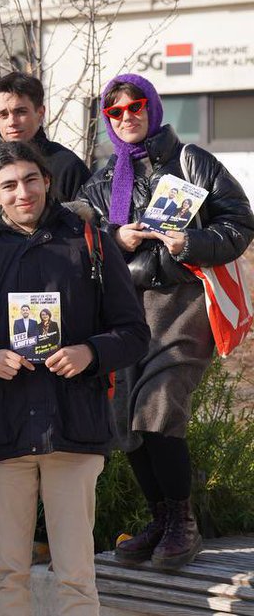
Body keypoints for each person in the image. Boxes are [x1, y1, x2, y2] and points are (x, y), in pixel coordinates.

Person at [0, 141, 150, 616]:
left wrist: (90, 352)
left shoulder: (90, 242)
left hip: (73, 428)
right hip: (3, 431)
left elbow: (133, 333)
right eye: (9, 185)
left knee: (75, 565)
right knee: (7, 565)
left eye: (31, 180)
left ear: (47, 181)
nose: (23, 192)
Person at [78, 73, 254, 570]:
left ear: (152, 108)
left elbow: (239, 222)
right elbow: (83, 249)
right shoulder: (103, 179)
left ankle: (183, 523)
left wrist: (191, 243)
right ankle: (161, 519)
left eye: (136, 106)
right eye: (115, 112)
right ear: (107, 120)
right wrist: (117, 240)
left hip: (183, 302)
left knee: (159, 405)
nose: (127, 116)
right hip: (126, 308)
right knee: (127, 420)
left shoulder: (192, 161)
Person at [0, 72, 91, 201]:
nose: (12, 122)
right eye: (3, 114)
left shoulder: (68, 167)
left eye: (20, 112)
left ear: (40, 113)